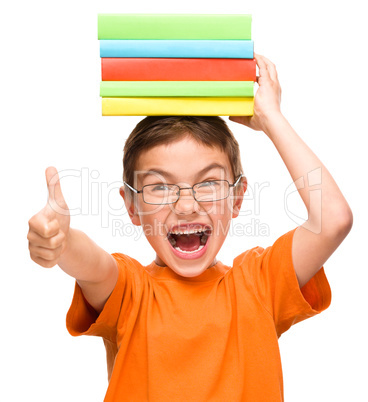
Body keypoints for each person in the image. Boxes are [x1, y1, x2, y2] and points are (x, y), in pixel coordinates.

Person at [27, 54, 353, 401]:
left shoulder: (260, 284)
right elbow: (92, 265)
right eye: (160, 186)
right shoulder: (130, 292)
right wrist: (62, 242)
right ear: (131, 206)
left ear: (238, 198)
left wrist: (272, 119)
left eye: (209, 183)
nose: (185, 205)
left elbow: (333, 220)